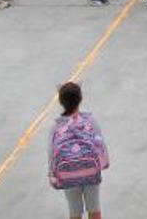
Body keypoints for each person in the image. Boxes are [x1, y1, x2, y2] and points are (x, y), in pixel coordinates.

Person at [48, 82, 108, 219]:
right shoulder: (90, 120)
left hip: (68, 173)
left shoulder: (56, 126)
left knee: (74, 211)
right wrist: (103, 164)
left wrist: (52, 174)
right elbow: (100, 144)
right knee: (94, 208)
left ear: (61, 102)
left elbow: (51, 153)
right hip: (90, 170)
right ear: (80, 99)